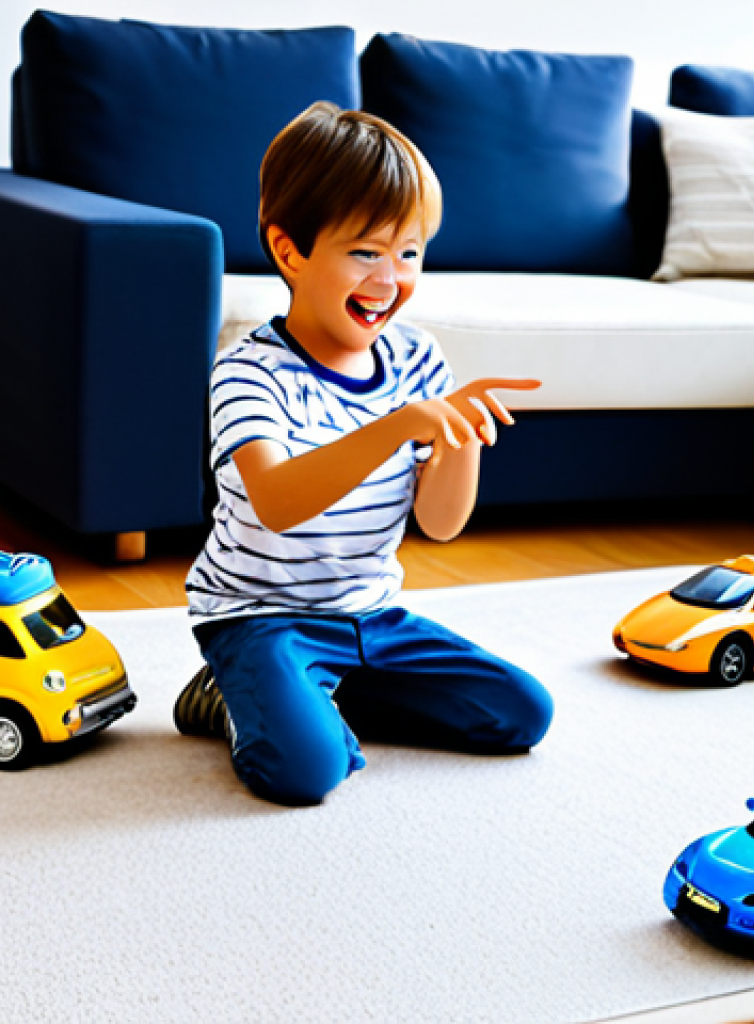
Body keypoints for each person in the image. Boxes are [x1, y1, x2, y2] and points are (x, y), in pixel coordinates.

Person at [175, 102, 554, 806]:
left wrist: (459, 442)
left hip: (370, 615)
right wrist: (398, 426)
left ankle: (312, 699)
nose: (390, 279)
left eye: (409, 253)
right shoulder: (247, 373)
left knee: (522, 713)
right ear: (290, 251)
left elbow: (440, 525)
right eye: (365, 253)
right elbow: (279, 502)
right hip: (261, 616)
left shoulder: (416, 359)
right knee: (305, 772)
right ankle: (226, 694)